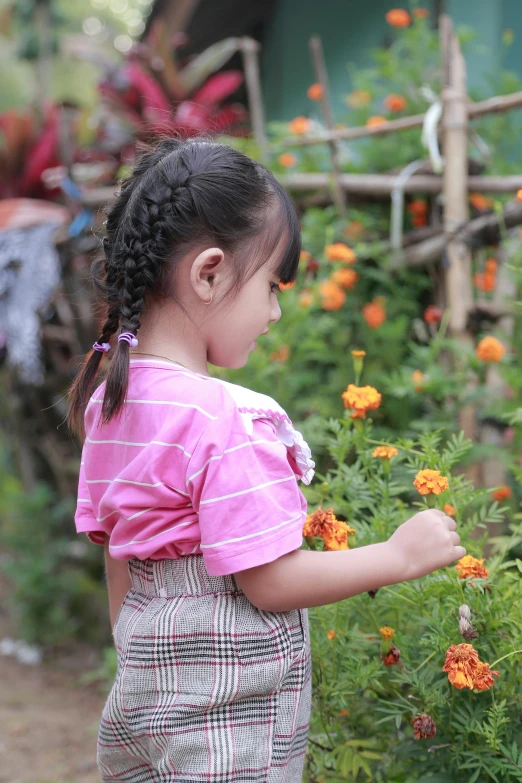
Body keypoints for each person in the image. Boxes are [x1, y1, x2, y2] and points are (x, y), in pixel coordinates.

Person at [68, 137, 466, 783]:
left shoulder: (111, 400)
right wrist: (398, 556)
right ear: (210, 272)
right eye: (272, 288)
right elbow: (268, 580)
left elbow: (119, 550)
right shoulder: (226, 419)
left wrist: (152, 661)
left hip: (142, 702)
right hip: (228, 717)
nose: (276, 313)